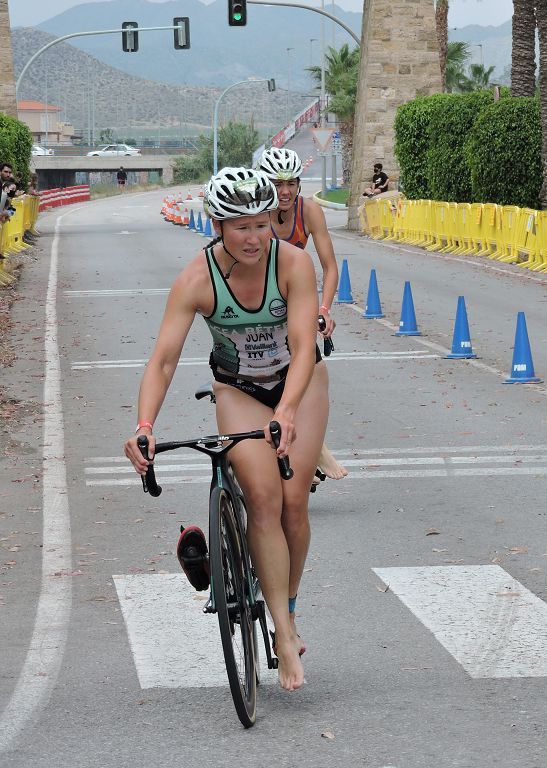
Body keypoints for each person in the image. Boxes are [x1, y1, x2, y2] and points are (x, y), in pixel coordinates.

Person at [123, 167, 328, 691]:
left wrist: (286, 410)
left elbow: (305, 347)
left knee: (294, 500)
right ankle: (282, 635)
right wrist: (145, 425)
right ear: (217, 225)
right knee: (262, 498)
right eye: (240, 227)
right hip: (237, 388)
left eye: (262, 224)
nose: (255, 237)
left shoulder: (294, 264)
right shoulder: (196, 280)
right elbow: (164, 360)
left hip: (298, 385)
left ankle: (289, 605)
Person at [257, 147, 347, 482]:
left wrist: (323, 309)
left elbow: (330, 267)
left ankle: (310, 447)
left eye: (291, 183)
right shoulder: (256, 213)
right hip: (259, 299)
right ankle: (307, 450)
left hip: (295, 296)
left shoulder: (308, 211)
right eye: (277, 183)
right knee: (265, 374)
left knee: (309, 368)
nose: (284, 191)